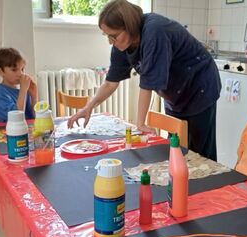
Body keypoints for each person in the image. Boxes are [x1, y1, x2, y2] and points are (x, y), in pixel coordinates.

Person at [66, 0, 221, 160]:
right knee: (177, 149)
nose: (110, 42)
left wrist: (140, 123)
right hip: (175, 92)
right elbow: (110, 83)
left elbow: (147, 84)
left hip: (200, 85)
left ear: (129, 26)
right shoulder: (121, 45)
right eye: (107, 36)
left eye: (113, 36)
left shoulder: (155, 31)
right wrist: (89, 107)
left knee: (201, 154)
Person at [0, 47, 37, 123]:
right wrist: (23, 91)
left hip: (26, 131)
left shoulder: (23, 90)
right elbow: (17, 118)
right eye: (14, 70)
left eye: (22, 69)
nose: (20, 74)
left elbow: (35, 117)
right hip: (6, 132)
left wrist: (34, 96)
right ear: (0, 72)